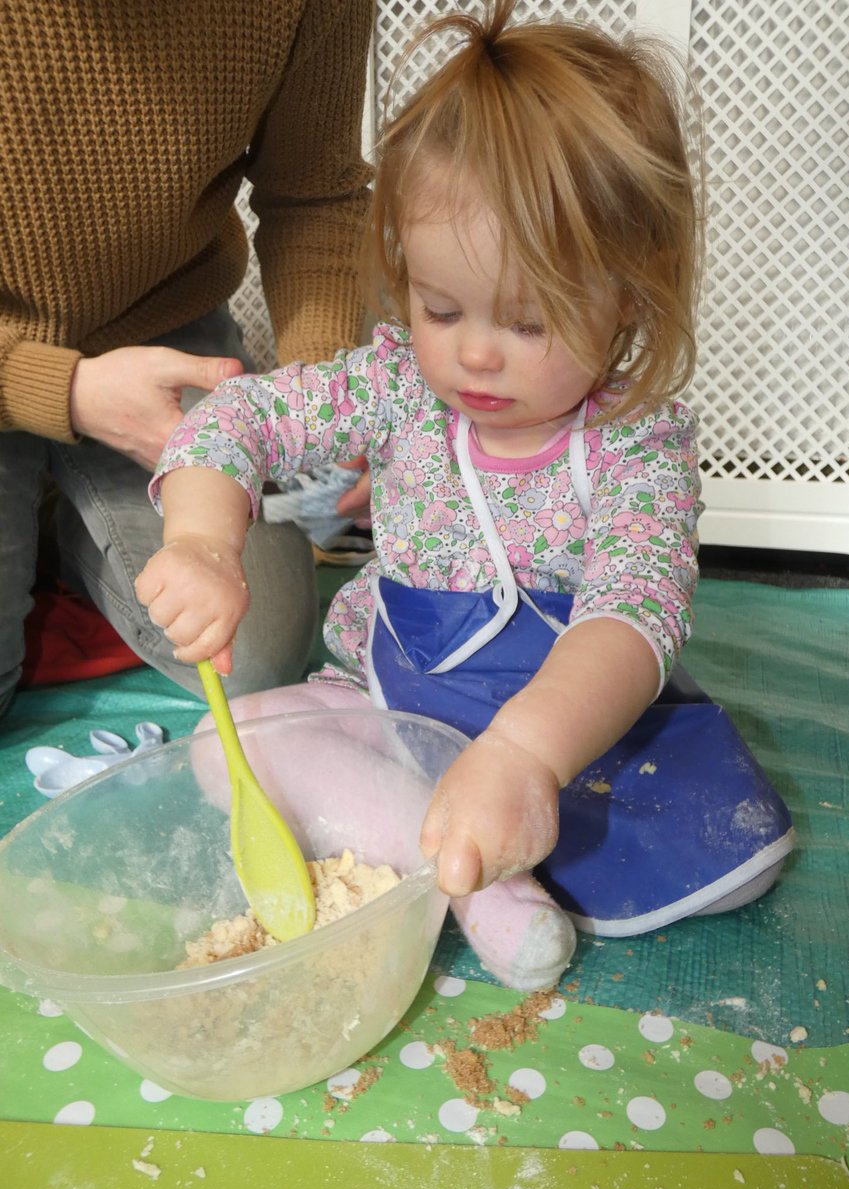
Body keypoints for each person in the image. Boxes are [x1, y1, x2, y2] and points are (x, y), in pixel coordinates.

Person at [136, 1, 792, 990]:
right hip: (398, 702)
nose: (475, 352)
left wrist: (527, 756)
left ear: (629, 300)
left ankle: (465, 841)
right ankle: (476, 885)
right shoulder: (397, 384)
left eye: (529, 321)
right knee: (222, 751)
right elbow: (235, 423)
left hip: (564, 720)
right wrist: (200, 537)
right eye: (441, 307)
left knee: (739, 863)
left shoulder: (636, 445)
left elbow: (635, 610)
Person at [0, 0, 375, 718]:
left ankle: (69, 531)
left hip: (164, 325)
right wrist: (64, 392)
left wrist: (323, 387)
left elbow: (315, 193)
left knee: (255, 658)